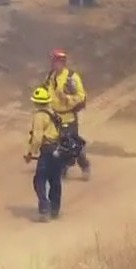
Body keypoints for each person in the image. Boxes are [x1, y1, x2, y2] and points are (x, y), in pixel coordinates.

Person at [42, 48, 91, 180]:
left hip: (69, 117)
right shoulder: (50, 77)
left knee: (73, 145)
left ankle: (84, 166)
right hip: (55, 116)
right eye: (52, 61)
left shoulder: (71, 78)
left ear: (62, 63)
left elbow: (81, 96)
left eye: (56, 61)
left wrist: (67, 99)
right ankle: (62, 168)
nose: (53, 64)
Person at [24, 87, 64, 222]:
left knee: (39, 180)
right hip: (58, 150)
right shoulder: (53, 112)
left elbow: (37, 138)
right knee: (55, 180)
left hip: (46, 150)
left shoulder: (39, 116)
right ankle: (55, 209)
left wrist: (30, 153)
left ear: (36, 102)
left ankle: (44, 209)